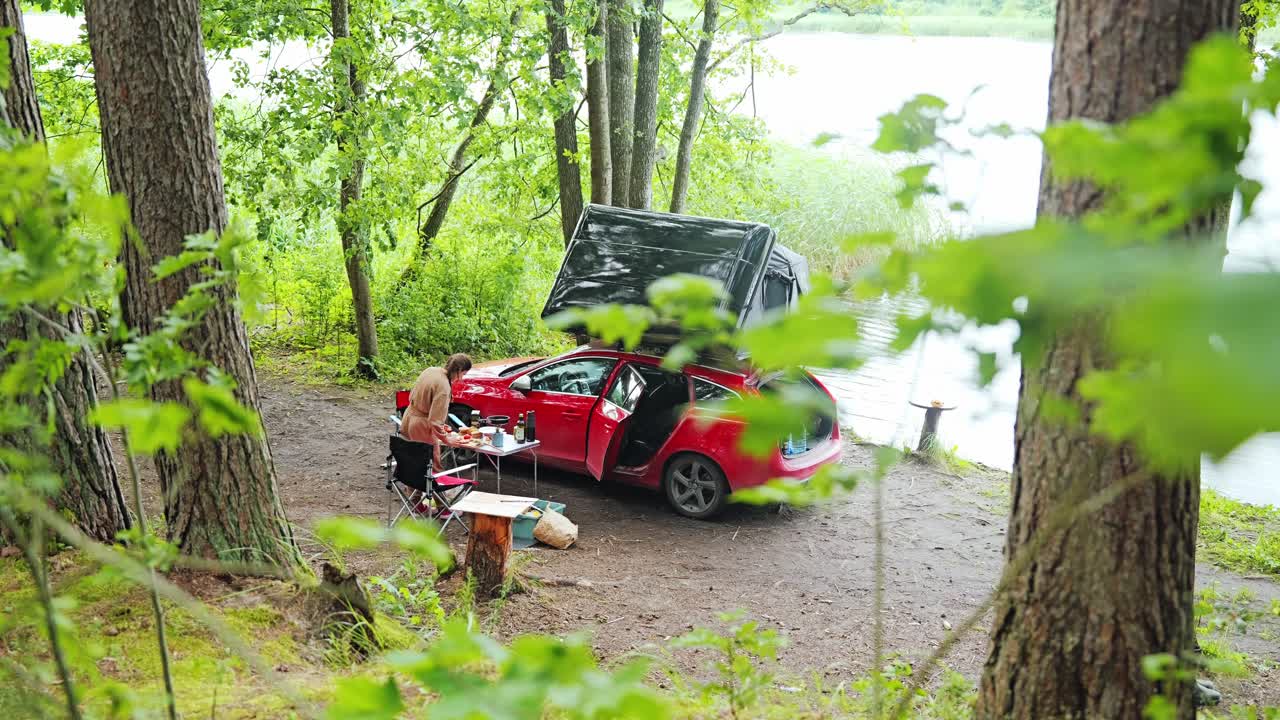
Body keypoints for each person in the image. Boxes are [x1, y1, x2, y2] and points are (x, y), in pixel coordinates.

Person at [401, 353, 472, 469]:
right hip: (421, 425)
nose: (462, 378)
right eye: (463, 374)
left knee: (414, 462)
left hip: (408, 418)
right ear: (458, 370)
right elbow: (435, 421)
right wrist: (447, 439)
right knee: (431, 466)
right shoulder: (444, 387)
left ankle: (411, 488)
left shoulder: (431, 370)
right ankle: (428, 487)